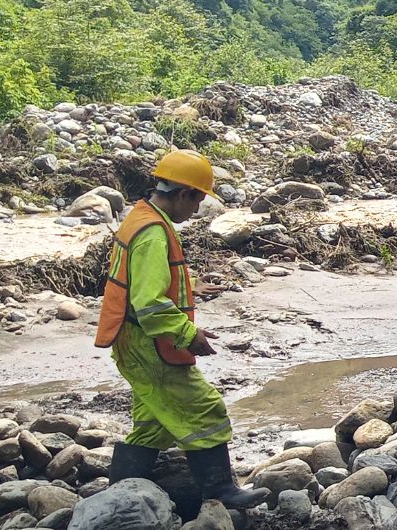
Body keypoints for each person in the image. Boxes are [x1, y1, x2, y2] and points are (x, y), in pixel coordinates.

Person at [93, 150, 268, 510]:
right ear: (185, 193)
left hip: (132, 341)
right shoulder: (154, 233)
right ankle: (221, 491)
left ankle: (119, 495)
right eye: (198, 200)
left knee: (153, 422)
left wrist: (191, 289)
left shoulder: (139, 218)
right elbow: (150, 304)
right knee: (205, 409)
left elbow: (145, 285)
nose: (197, 210)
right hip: (148, 344)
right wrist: (188, 336)